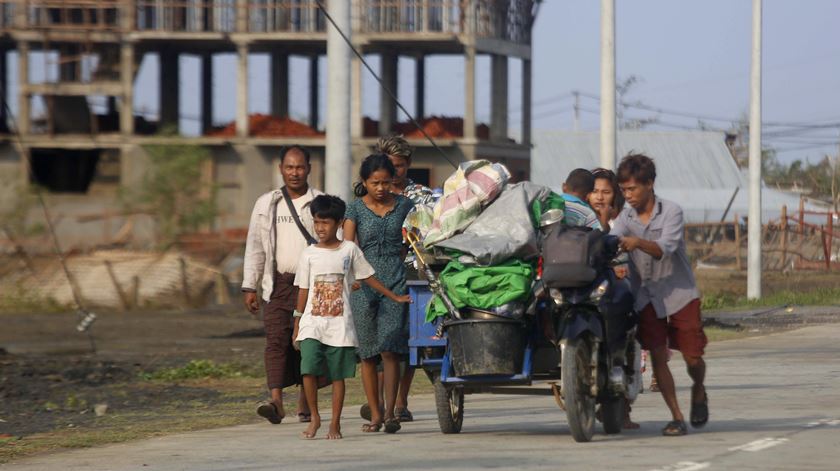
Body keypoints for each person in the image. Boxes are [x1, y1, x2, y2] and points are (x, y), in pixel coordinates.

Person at [292, 195, 410, 440]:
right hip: (311, 324)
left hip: (340, 325)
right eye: (317, 222)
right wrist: (297, 324)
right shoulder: (308, 254)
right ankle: (315, 416)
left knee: (338, 376)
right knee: (308, 370)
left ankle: (335, 423)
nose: (320, 228)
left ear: (339, 223)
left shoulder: (349, 250)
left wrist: (394, 296)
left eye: (325, 222)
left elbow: (367, 277)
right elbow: (303, 290)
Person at [611, 153, 709, 437]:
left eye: (633, 189)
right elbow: (612, 238)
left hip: (679, 294)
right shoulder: (624, 218)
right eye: (624, 190)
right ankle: (677, 417)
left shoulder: (672, 212)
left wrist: (635, 242)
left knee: (693, 358)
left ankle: (699, 389)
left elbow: (663, 247)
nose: (627, 195)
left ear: (650, 184)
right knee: (657, 356)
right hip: (647, 297)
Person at [354, 134, 434, 424]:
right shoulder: (363, 198)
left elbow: (428, 236)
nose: (393, 173)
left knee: (406, 340)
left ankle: (400, 402)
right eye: (389, 167)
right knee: (375, 342)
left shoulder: (420, 197)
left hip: (413, 270)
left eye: (399, 167)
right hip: (373, 274)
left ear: (408, 165)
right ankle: (377, 404)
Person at [242, 145, 321, 425]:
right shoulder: (266, 203)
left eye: (300, 167)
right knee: (275, 342)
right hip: (277, 284)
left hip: (311, 286)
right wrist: (249, 286)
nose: (295, 172)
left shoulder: (320, 202)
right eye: (289, 167)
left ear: (309, 168)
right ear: (281, 170)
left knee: (306, 343)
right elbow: (255, 246)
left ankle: (305, 403)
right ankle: (275, 401)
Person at [343, 154, 414, 434]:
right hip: (363, 285)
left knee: (390, 349)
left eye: (386, 182)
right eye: (375, 183)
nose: (381, 188)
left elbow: (415, 239)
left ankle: (393, 412)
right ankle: (376, 414)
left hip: (396, 282)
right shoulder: (354, 209)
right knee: (368, 354)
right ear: (364, 182)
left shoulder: (405, 206)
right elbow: (348, 248)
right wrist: (351, 278)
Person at [589, 167, 639, 430]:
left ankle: (623, 406)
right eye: (595, 191)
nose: (599, 197)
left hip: (615, 290)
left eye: (605, 192)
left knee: (625, 340)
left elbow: (627, 256)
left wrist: (606, 222)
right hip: (586, 289)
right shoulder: (576, 218)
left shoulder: (624, 220)